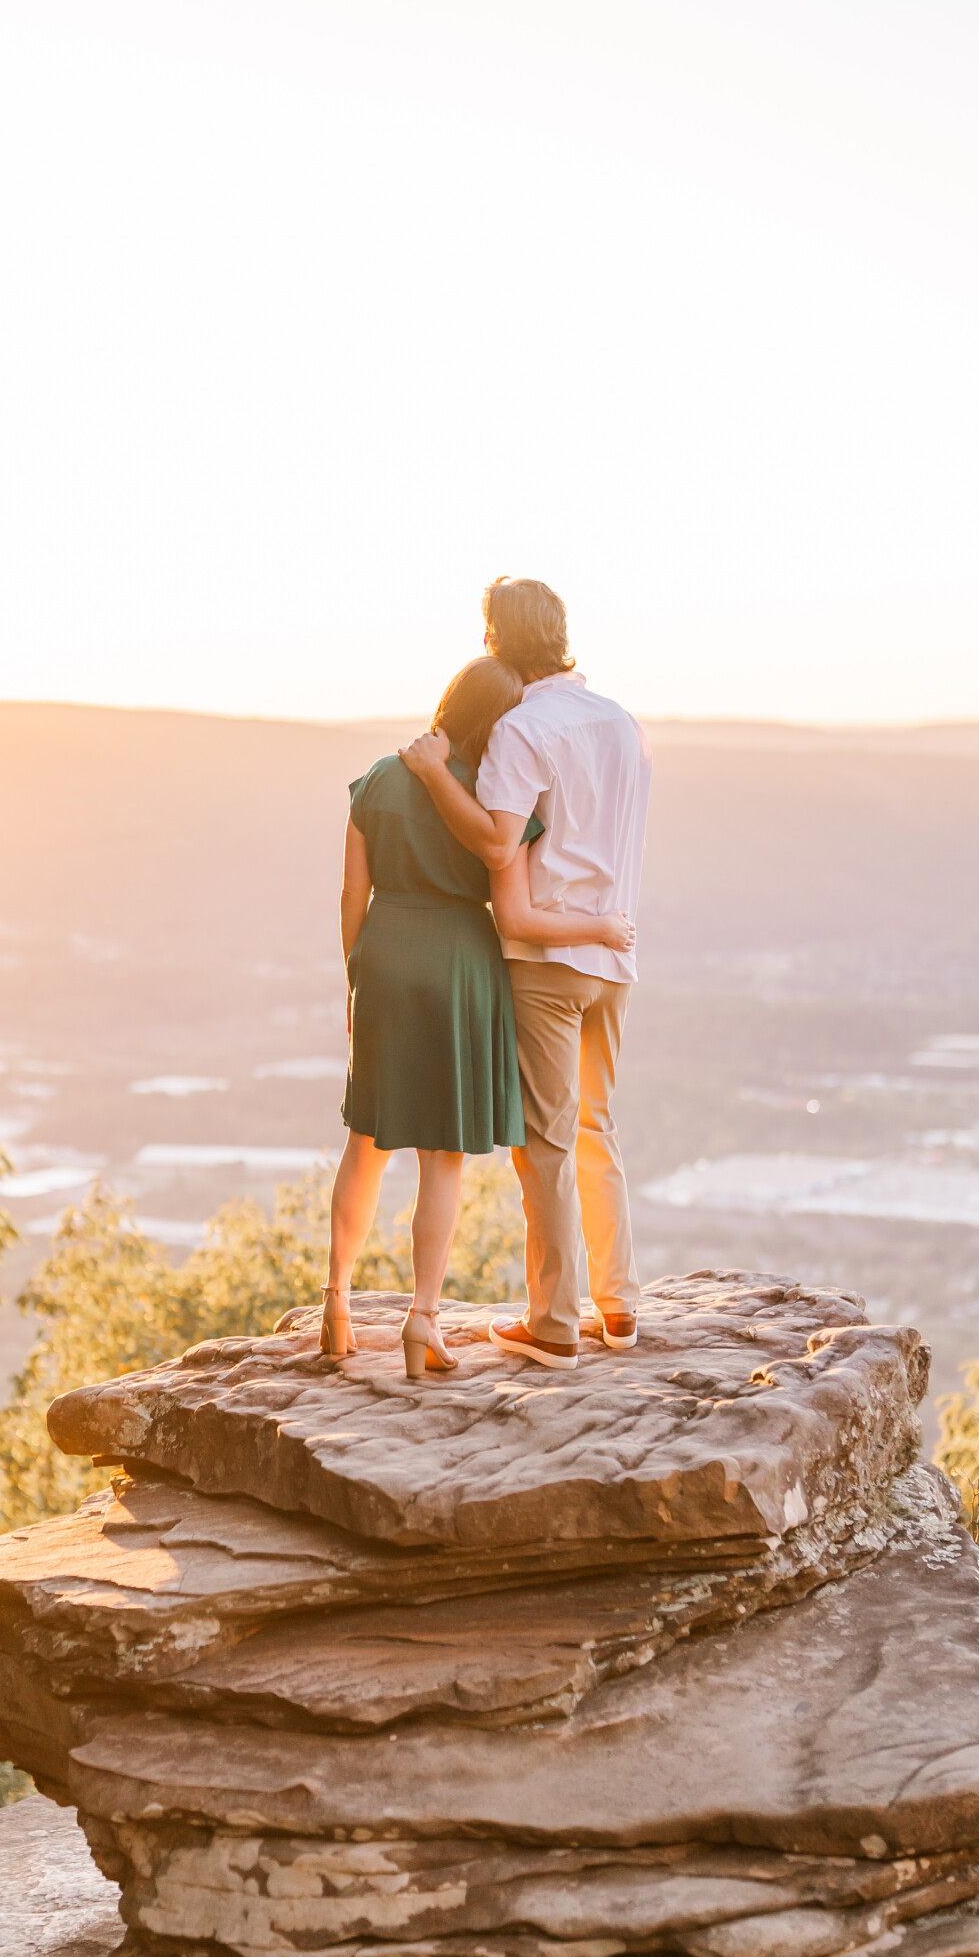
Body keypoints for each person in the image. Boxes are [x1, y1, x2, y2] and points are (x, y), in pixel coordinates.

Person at [327, 654, 633, 1379]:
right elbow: (512, 905)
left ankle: (335, 1303)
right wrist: (596, 926)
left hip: (386, 951)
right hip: (461, 962)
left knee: (364, 1140)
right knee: (442, 1159)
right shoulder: (496, 801)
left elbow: (349, 893)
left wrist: (354, 976)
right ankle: (421, 1320)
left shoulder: (378, 778)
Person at [401, 575, 651, 1371]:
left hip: (545, 955)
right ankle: (619, 1306)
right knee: (594, 1129)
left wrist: (436, 775)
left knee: (542, 1142)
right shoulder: (620, 723)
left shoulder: (521, 729)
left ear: (492, 643)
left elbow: (498, 843)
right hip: (612, 950)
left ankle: (551, 1322)